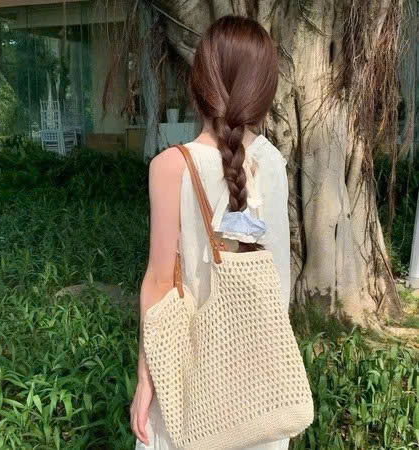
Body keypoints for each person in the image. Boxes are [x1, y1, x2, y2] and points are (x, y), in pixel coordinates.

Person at [131, 15, 290, 450]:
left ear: (198, 83)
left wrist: (145, 378)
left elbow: (159, 283)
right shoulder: (273, 164)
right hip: (260, 386)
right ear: (264, 90)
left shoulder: (171, 167)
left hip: (187, 379)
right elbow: (278, 279)